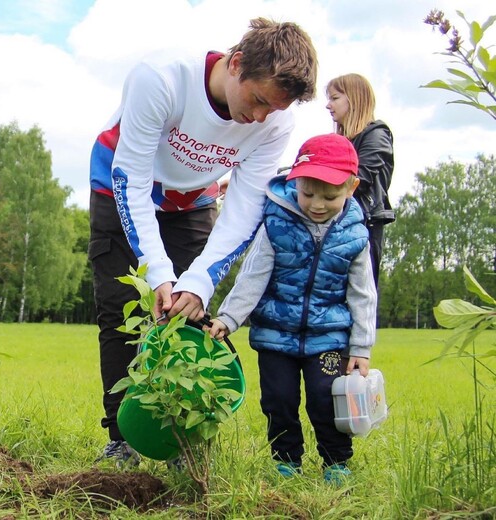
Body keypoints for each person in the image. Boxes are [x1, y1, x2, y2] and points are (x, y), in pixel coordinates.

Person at [88, 17, 318, 466]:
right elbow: (130, 178)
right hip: (122, 181)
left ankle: (182, 440)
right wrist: (157, 270)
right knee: (120, 309)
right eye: (256, 101)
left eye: (272, 109)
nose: (258, 118)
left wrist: (199, 281)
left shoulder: (275, 122)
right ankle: (121, 440)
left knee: (189, 312)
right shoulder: (161, 80)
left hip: (191, 199)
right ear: (236, 64)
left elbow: (245, 208)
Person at [206, 134, 377, 483]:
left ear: (351, 187)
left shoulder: (355, 235)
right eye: (307, 193)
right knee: (279, 400)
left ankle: (336, 462)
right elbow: (253, 275)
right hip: (274, 335)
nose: (316, 204)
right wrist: (229, 317)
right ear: (294, 182)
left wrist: (360, 347)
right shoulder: (277, 222)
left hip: (327, 337)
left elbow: (363, 294)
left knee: (325, 398)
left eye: (329, 196)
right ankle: (286, 461)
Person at [326, 73, 395, 287]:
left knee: (361, 293)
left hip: (365, 224)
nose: (328, 106)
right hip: (339, 223)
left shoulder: (377, 135)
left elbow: (358, 180)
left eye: (334, 98)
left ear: (354, 99)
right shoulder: (340, 141)